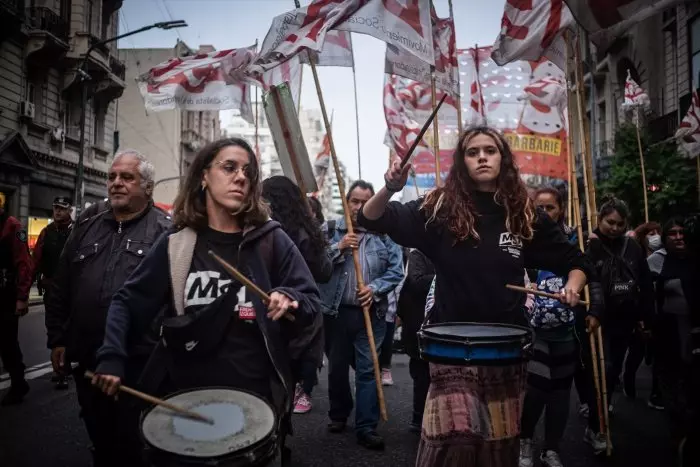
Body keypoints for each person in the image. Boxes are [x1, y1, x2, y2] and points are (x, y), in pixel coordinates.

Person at [358, 125, 592, 467]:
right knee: (454, 438)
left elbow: (577, 263)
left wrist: (573, 285)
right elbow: (371, 218)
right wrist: (392, 187)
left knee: (496, 445)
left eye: (490, 150)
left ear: (503, 159)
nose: (482, 156)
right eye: (472, 152)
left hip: (507, 349)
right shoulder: (438, 208)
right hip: (451, 347)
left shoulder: (523, 213)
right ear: (462, 162)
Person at [91, 138, 320, 466]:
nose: (241, 177)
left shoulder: (271, 240)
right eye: (229, 167)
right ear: (203, 176)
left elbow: (311, 300)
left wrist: (291, 298)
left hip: (258, 406)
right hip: (185, 403)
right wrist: (111, 356)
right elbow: (126, 302)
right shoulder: (177, 245)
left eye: (248, 172)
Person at [45, 149, 172, 467]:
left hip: (140, 363)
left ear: (147, 186)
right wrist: (58, 339)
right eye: (112, 176)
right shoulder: (87, 226)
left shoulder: (165, 232)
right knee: (100, 436)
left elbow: (175, 300)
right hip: (88, 358)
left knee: (136, 443)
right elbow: (61, 285)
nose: (116, 183)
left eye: (127, 177)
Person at [519, 187, 603, 467]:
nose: (543, 213)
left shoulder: (573, 242)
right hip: (535, 332)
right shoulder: (522, 239)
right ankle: (526, 441)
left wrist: (594, 308)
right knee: (537, 389)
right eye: (538, 208)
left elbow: (589, 274)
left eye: (550, 208)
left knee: (561, 392)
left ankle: (551, 448)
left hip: (568, 330)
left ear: (561, 210)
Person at [319, 180, 404, 450]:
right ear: (346, 203)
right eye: (353, 201)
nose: (358, 207)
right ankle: (339, 414)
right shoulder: (331, 230)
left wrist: (375, 290)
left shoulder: (385, 235)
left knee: (368, 370)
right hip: (335, 313)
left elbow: (395, 271)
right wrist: (338, 247)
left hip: (371, 313)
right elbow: (315, 264)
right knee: (337, 368)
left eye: (364, 202)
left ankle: (366, 426)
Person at [585, 198, 654, 449]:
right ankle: (595, 426)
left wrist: (645, 317)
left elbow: (645, 283)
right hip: (598, 318)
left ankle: (601, 409)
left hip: (625, 317)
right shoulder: (588, 244)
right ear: (599, 220)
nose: (614, 228)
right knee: (603, 370)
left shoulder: (633, 246)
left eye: (620, 224)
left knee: (613, 371)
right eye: (609, 222)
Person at [262, 176, 331, 414]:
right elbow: (324, 272)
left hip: (279, 309)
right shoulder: (303, 232)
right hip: (301, 310)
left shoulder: (269, 234)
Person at [647, 217, 699, 466]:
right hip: (667, 336)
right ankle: (679, 441)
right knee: (675, 395)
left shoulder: (695, 260)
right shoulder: (656, 262)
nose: (678, 237)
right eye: (673, 234)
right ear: (665, 239)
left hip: (694, 335)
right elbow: (646, 296)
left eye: (682, 233)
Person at [32, 196, 74, 390]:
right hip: (51, 288)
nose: (58, 212)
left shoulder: (77, 231)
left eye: (62, 208)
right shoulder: (46, 232)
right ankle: (59, 368)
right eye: (56, 208)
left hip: (71, 290)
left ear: (69, 210)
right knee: (53, 327)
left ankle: (65, 368)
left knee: (69, 329)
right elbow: (36, 260)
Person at [624, 221, 664, 409]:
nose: (654, 236)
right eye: (650, 233)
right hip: (636, 312)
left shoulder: (662, 256)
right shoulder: (636, 257)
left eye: (657, 232)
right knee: (636, 352)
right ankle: (628, 384)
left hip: (656, 312)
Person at [397, 248, 435, 432]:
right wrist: (448, 276)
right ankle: (418, 418)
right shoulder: (419, 253)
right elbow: (417, 281)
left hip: (443, 323)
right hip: (420, 324)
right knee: (422, 375)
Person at [0, 192, 32, 406]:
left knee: (7, 341)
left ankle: (19, 382)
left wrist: (22, 297)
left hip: (6, 295)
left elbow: (25, 264)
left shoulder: (14, 227)